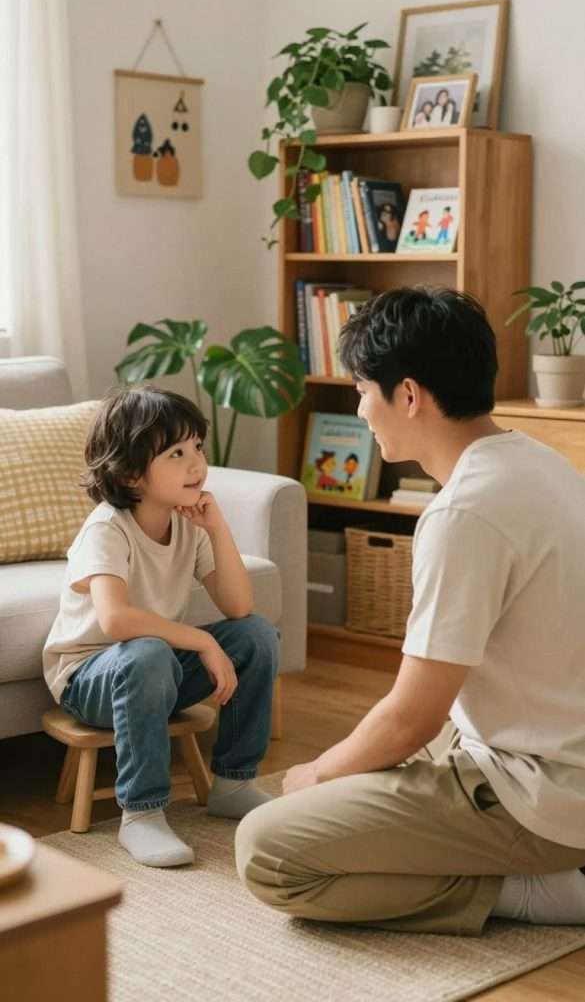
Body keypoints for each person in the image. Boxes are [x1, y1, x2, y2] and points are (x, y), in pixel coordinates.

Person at [235, 286, 585, 935]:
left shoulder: (462, 514)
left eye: (364, 389)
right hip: (553, 751)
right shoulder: (542, 462)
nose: (359, 409)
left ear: (408, 394)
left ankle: (541, 893)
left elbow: (411, 717)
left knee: (267, 850)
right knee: (351, 777)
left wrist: (317, 771)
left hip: (541, 796)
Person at [43, 387, 279, 868]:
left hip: (155, 669)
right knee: (147, 649)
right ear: (132, 474)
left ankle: (233, 783)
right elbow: (115, 619)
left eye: (197, 447)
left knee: (256, 634)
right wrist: (200, 640)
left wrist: (218, 528)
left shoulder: (189, 525)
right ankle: (142, 814)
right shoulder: (106, 529)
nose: (197, 463)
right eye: (176, 453)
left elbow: (238, 605)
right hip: (89, 678)